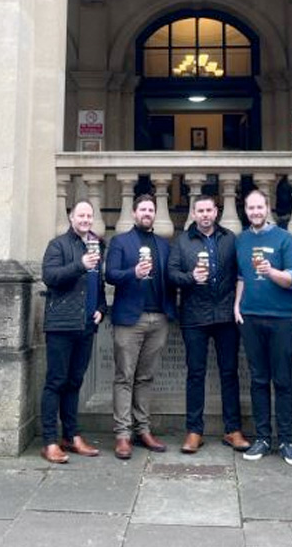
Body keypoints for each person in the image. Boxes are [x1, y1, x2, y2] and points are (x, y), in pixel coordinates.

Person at [168, 195, 251, 454]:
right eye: (200, 211)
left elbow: (241, 273)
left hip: (226, 315)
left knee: (229, 373)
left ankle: (233, 430)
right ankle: (194, 431)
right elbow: (171, 274)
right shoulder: (182, 241)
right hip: (194, 316)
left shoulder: (229, 239)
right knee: (195, 374)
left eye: (209, 210)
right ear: (193, 214)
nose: (205, 215)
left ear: (216, 212)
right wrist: (191, 277)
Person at [233, 190, 292, 466]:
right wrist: (237, 305)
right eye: (251, 208)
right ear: (246, 210)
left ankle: (286, 440)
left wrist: (270, 271)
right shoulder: (242, 240)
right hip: (250, 317)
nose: (255, 212)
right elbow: (241, 277)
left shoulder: (285, 239)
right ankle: (262, 438)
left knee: (283, 380)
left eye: (259, 207)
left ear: (268, 207)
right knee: (258, 379)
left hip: (281, 318)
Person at [106, 194, 176, 459]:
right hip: (130, 320)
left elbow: (172, 277)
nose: (147, 213)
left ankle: (143, 430)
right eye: (143, 209)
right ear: (134, 213)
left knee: (146, 377)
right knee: (124, 376)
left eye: (151, 210)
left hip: (158, 318)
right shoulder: (120, 242)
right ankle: (123, 435)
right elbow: (110, 275)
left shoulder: (164, 244)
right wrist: (133, 273)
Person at [39, 199, 107, 464]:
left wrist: (101, 307)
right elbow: (50, 277)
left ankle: (71, 435)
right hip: (61, 324)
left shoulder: (97, 244)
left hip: (86, 325)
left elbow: (97, 283)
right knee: (56, 382)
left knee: (75, 382)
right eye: (81, 215)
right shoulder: (57, 245)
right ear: (71, 217)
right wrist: (80, 264)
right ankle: (49, 441)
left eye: (89, 216)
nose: (85, 220)